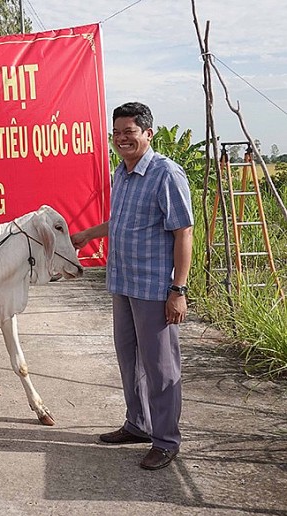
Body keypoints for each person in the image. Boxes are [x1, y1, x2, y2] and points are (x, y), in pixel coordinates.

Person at [71, 102, 193, 470]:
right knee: (128, 358)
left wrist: (179, 290)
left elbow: (183, 232)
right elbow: (121, 221)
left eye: (130, 132)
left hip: (154, 288)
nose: (122, 138)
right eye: (118, 132)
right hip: (122, 281)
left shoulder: (166, 174)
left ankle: (166, 440)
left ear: (148, 134)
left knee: (160, 366)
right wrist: (87, 235)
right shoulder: (121, 173)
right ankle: (137, 424)